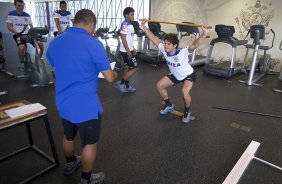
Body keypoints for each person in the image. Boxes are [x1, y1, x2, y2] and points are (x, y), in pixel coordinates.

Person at [47, 9, 117, 184]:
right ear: (91, 23)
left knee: (68, 135)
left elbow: (55, 64)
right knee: (89, 143)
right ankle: (87, 178)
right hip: (86, 105)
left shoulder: (57, 41)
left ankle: (71, 163)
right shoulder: (93, 44)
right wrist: (114, 73)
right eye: (94, 26)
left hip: (63, 101)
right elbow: (109, 78)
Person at [141, 19, 210, 123]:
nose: (165, 45)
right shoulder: (164, 50)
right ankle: (169, 105)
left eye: (168, 44)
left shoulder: (183, 52)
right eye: (165, 43)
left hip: (188, 75)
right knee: (159, 85)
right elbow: (154, 39)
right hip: (176, 75)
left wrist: (205, 33)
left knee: (184, 92)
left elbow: (195, 44)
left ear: (175, 45)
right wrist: (144, 26)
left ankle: (187, 111)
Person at [6, 0, 44, 66]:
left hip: (28, 34)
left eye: (22, 6)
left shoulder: (27, 16)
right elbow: (9, 27)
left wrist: (34, 34)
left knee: (40, 44)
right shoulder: (10, 14)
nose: (21, 7)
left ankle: (40, 57)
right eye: (19, 6)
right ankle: (21, 59)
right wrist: (19, 34)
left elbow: (31, 27)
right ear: (15, 5)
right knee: (22, 48)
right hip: (17, 34)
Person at [115, 7, 138, 93]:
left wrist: (133, 48)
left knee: (128, 68)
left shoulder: (130, 24)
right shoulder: (125, 24)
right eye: (131, 14)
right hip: (125, 51)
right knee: (135, 68)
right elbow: (123, 38)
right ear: (126, 15)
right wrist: (128, 51)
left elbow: (130, 38)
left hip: (130, 49)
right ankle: (121, 83)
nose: (133, 16)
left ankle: (127, 86)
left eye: (133, 14)